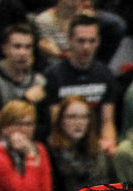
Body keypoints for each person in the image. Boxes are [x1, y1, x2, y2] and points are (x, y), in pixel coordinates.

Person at [43, 14, 118, 155]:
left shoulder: (105, 74)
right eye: (81, 41)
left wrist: (109, 143)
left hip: (96, 145)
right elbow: (56, 123)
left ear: (98, 42)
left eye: (91, 41)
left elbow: (108, 121)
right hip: (65, 145)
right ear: (69, 40)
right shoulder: (53, 75)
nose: (86, 47)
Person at [48, 93, 112, 191]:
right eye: (72, 117)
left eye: (84, 117)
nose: (79, 123)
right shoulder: (50, 151)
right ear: (60, 120)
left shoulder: (98, 151)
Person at [0, 23, 46, 133]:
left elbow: (43, 126)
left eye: (28, 47)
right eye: (17, 47)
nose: (23, 53)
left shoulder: (39, 81)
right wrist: (26, 100)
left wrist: (3, 117)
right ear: (5, 49)